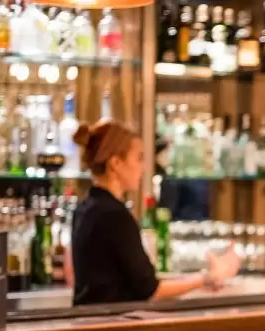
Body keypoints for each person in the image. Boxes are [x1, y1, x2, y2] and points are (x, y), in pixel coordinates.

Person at [71, 120, 239, 306]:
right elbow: (150, 290)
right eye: (138, 158)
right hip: (110, 328)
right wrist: (208, 277)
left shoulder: (84, 209)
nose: (143, 168)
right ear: (116, 163)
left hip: (87, 323)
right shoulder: (115, 215)